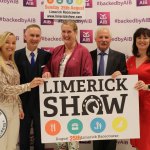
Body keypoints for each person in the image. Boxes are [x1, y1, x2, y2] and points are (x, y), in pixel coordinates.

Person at [42, 20, 93, 150]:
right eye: (63, 31)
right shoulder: (57, 50)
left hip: (74, 102)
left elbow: (88, 76)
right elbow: (47, 66)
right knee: (60, 139)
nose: (66, 34)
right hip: (57, 101)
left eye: (69, 31)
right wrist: (46, 72)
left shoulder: (83, 52)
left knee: (73, 139)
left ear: (75, 33)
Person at [0, 31, 44, 150]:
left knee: (11, 146)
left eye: (13, 43)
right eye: (7, 42)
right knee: (2, 145)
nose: (11, 46)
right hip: (2, 109)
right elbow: (4, 89)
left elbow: (15, 87)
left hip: (14, 109)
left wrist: (19, 106)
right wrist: (29, 85)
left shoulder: (12, 63)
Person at [90, 27, 127, 150]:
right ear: (95, 39)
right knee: (97, 136)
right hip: (93, 103)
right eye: (101, 37)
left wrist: (122, 75)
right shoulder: (88, 56)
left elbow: (126, 75)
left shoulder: (120, 57)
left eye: (106, 37)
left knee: (111, 138)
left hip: (112, 104)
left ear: (111, 39)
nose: (103, 40)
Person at [14, 24, 51, 150]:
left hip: (42, 104)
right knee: (23, 138)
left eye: (37, 36)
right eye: (32, 35)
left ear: (41, 38)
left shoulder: (47, 56)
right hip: (22, 104)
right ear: (25, 36)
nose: (34, 38)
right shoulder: (15, 56)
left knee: (40, 139)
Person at [126, 28, 150, 150]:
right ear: (135, 41)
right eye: (139, 38)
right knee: (139, 143)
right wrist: (118, 74)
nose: (142, 40)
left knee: (146, 143)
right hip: (133, 107)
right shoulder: (130, 60)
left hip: (148, 108)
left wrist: (147, 86)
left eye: (145, 37)